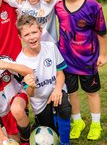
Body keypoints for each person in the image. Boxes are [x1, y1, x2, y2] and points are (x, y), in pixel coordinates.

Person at [54, 0, 107, 141]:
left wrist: (103, 54)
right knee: (72, 93)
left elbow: (101, 32)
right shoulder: (58, 6)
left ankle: (95, 123)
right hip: (66, 60)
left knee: (92, 92)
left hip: (88, 59)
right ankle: (77, 122)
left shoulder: (93, 6)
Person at [16, 15, 71, 145]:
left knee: (64, 108)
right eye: (27, 34)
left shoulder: (51, 47)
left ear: (40, 31)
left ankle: (65, 142)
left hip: (55, 91)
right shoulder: (20, 61)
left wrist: (58, 89)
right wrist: (31, 86)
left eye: (34, 32)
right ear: (20, 38)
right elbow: (29, 93)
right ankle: (45, 120)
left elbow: (60, 72)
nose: (32, 37)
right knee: (50, 130)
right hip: (40, 101)